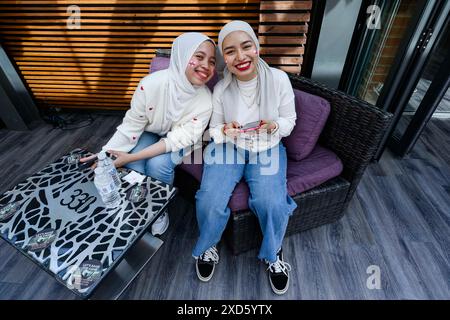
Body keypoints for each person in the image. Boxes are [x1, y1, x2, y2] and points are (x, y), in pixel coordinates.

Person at [192, 21, 297, 295]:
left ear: (256, 47)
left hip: (268, 146)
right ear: (223, 57)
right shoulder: (221, 89)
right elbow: (213, 130)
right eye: (230, 51)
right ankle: (208, 246)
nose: (240, 56)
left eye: (246, 46)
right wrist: (225, 129)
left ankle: (274, 253)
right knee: (210, 197)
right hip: (230, 145)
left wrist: (274, 126)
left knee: (271, 201)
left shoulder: (278, 79)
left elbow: (289, 119)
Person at [81, 33, 216, 236]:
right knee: (134, 165)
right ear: (182, 55)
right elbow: (131, 126)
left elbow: (176, 140)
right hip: (151, 131)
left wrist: (131, 155)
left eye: (212, 61)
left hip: (182, 142)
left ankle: (157, 210)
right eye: (199, 56)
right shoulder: (150, 84)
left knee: (158, 165)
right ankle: (139, 204)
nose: (206, 65)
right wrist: (104, 156)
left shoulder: (206, 100)